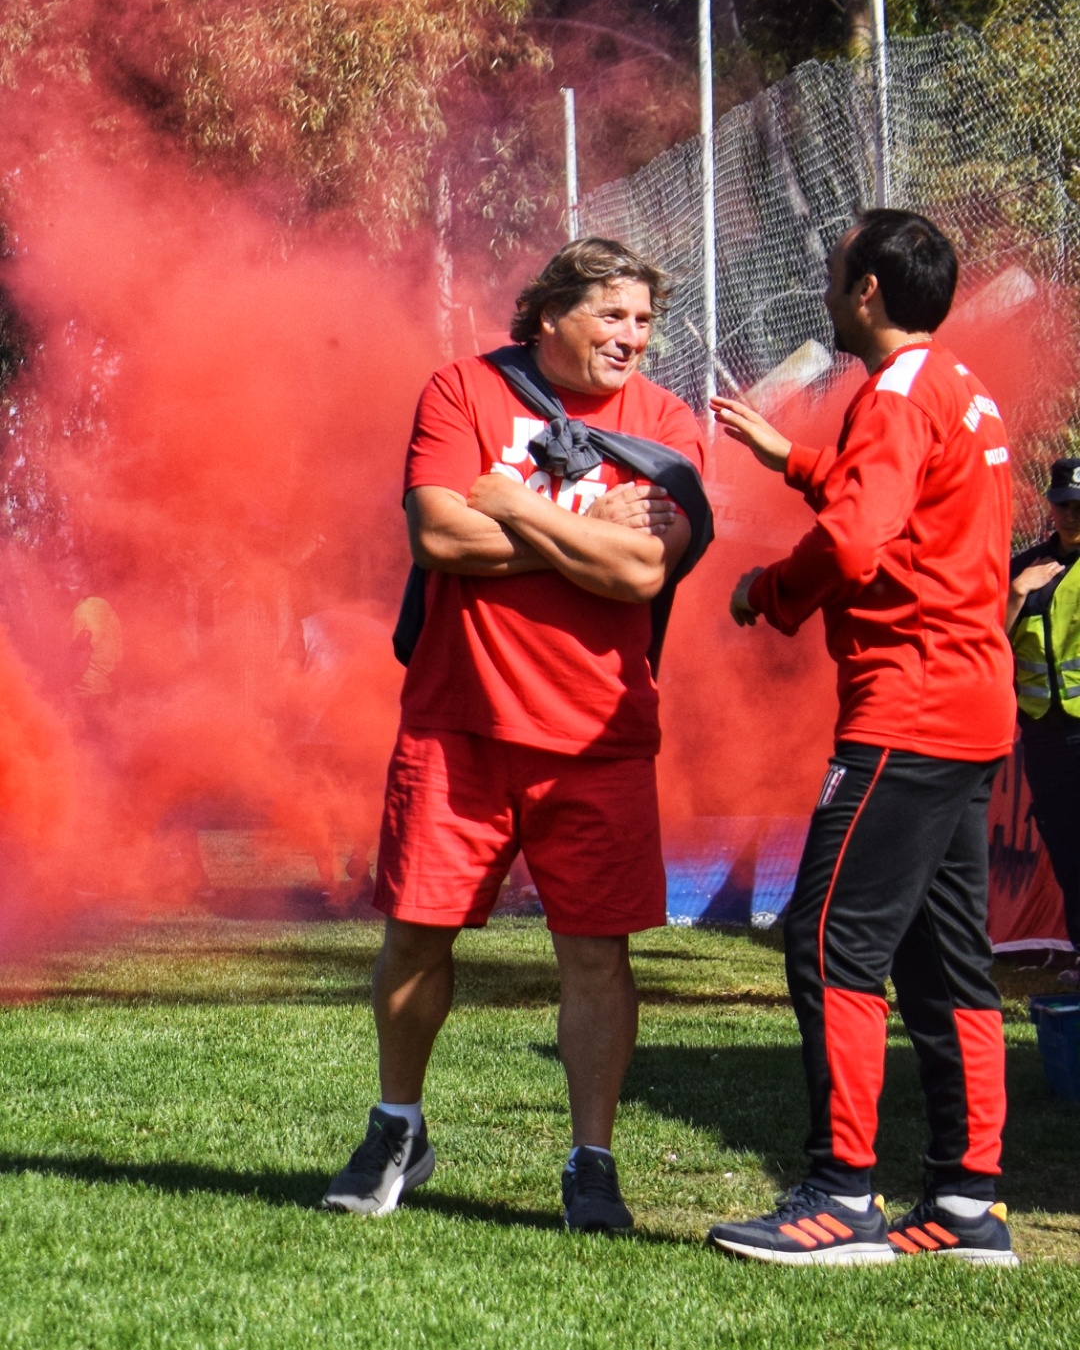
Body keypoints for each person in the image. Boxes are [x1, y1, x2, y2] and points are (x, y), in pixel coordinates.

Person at [322, 237, 710, 1230]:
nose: (633, 337)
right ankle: (398, 1125)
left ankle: (592, 1160)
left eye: (643, 320)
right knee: (415, 934)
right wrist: (582, 526)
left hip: (599, 735)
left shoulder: (667, 425)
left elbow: (642, 572)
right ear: (548, 316)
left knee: (597, 955)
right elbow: (438, 535)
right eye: (611, 315)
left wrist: (509, 503)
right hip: (457, 725)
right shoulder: (464, 390)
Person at [707, 209, 1019, 1266]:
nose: (828, 287)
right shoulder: (958, 386)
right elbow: (911, 508)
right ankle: (969, 1203)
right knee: (947, 959)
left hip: (908, 709)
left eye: (836, 272)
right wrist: (793, 458)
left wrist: (767, 591)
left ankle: (841, 1195)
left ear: (869, 291)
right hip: (971, 706)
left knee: (830, 939)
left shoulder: (891, 396)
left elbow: (853, 540)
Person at [1006, 457, 1080, 978]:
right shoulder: (1024, 568)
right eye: (1063, 505)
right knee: (1067, 850)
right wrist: (1015, 593)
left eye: (1079, 506)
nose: (1071, 515)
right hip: (1044, 735)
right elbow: (986, 640)